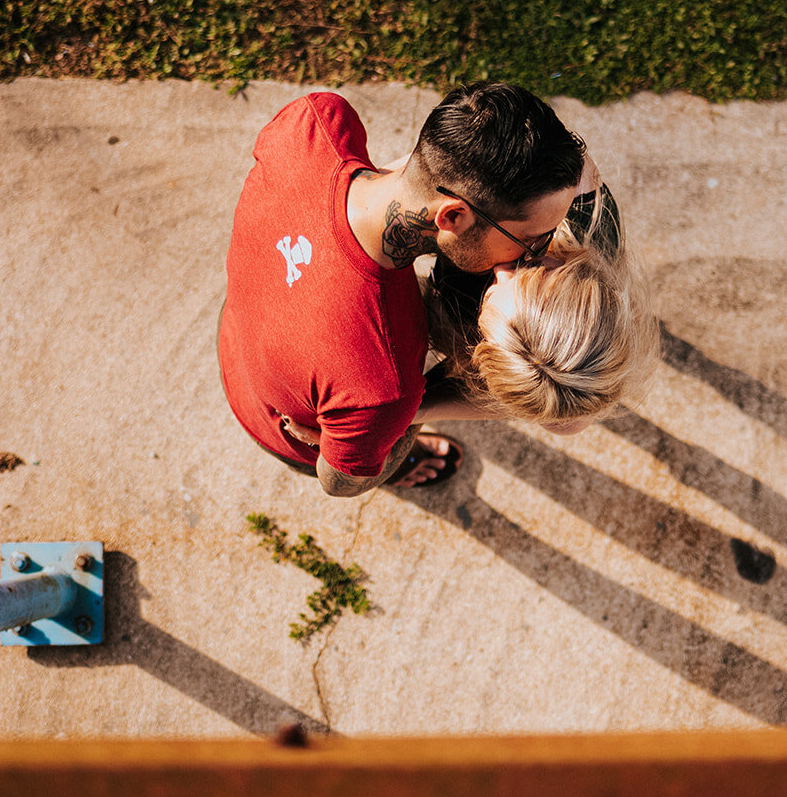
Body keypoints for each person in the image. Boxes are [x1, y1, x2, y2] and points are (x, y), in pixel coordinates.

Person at [218, 82, 585, 497]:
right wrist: (387, 433)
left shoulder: (314, 121)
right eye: (533, 239)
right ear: (452, 217)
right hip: (278, 426)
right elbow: (338, 483)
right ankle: (407, 460)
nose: (534, 257)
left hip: (238, 326)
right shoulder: (383, 386)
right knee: (380, 447)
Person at [421, 175, 657, 433]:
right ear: (575, 276)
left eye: (489, 298)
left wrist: (419, 410)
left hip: (449, 307)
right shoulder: (576, 202)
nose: (501, 270)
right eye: (532, 268)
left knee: (568, 421)